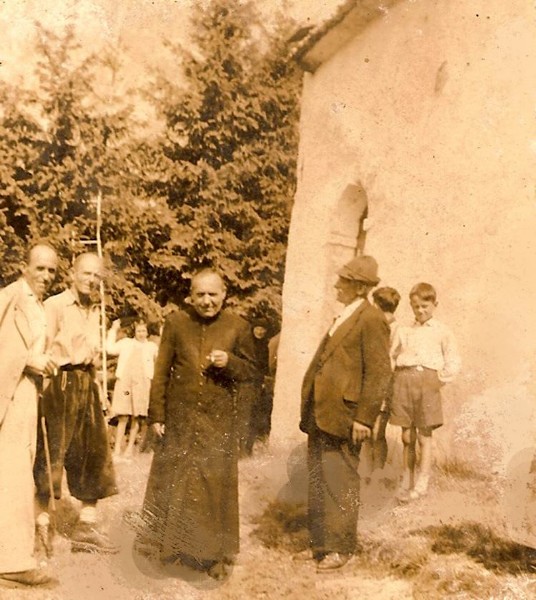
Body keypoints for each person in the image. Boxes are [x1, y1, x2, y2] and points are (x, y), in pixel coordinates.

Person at [136, 269, 256, 580]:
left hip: (218, 422)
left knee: (212, 486)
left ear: (224, 294)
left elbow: (252, 373)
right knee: (174, 482)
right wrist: (157, 416)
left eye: (212, 294)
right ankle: (167, 549)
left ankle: (213, 555)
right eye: (200, 294)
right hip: (179, 419)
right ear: (191, 295)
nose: (206, 301)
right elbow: (161, 371)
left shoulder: (238, 326)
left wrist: (230, 362)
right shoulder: (176, 323)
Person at [299, 255, 392, 572]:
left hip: (347, 416)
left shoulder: (371, 318)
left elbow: (379, 373)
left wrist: (365, 418)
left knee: (341, 481)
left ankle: (341, 548)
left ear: (360, 287)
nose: (337, 284)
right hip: (323, 412)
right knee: (319, 477)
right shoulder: (344, 315)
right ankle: (320, 546)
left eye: (344, 280)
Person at [33, 253, 119, 554]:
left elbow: (92, 356)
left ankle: (86, 528)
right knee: (51, 456)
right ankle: (41, 527)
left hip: (87, 383)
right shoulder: (54, 305)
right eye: (86, 273)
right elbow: (41, 348)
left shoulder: (94, 309)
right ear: (72, 273)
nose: (91, 280)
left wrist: (99, 391)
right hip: (61, 382)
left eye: (97, 276)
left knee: (93, 452)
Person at [0, 244, 59, 589]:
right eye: (40, 269)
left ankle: (13, 554)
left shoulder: (38, 306)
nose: (46, 276)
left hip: (28, 393)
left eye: (52, 271)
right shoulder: (8, 297)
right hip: (8, 395)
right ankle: (12, 562)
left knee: (21, 469)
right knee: (13, 473)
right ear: (24, 267)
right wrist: (25, 361)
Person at [390, 282, 461, 502]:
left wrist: (437, 381)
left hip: (427, 383)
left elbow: (453, 359)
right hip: (404, 381)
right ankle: (406, 479)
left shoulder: (442, 331)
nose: (420, 311)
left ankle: (422, 482)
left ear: (434, 304)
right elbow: (391, 356)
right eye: (416, 306)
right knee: (406, 435)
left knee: (424, 436)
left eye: (425, 306)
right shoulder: (404, 330)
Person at [106, 318, 158, 459]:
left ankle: (129, 450)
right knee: (123, 415)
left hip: (142, 382)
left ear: (147, 332)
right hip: (125, 381)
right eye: (138, 331)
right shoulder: (126, 343)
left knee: (137, 416)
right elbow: (109, 348)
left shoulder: (152, 347)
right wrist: (113, 329)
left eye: (143, 331)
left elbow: (161, 361)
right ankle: (117, 449)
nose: (141, 334)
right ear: (134, 331)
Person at [364, 286, 401, 478]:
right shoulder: (375, 326)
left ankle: (377, 473)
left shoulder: (396, 331)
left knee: (377, 432)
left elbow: (390, 360)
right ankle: (367, 472)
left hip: (383, 385)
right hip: (370, 384)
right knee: (367, 430)